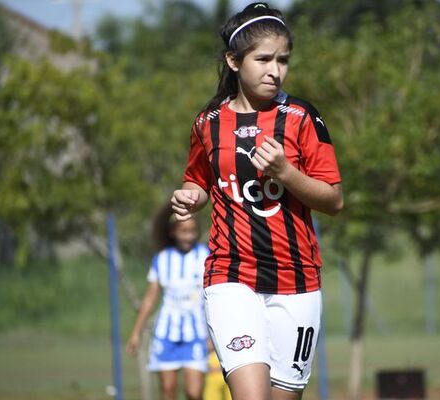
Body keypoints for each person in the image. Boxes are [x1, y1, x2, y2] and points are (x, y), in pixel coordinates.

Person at [171, 3, 343, 399]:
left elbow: (333, 200)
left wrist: (286, 173)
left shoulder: (301, 118)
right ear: (234, 60)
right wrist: (190, 197)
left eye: (283, 60)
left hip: (296, 281)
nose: (275, 70)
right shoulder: (208, 123)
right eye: (263, 59)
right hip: (231, 277)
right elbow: (197, 179)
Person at [126, 204, 210, 400]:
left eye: (192, 232)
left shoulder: (204, 256)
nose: (188, 236)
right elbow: (150, 298)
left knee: (194, 392)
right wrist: (136, 332)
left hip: (196, 335)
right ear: (173, 232)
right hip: (166, 334)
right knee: (168, 390)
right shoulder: (162, 259)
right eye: (183, 231)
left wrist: (214, 336)